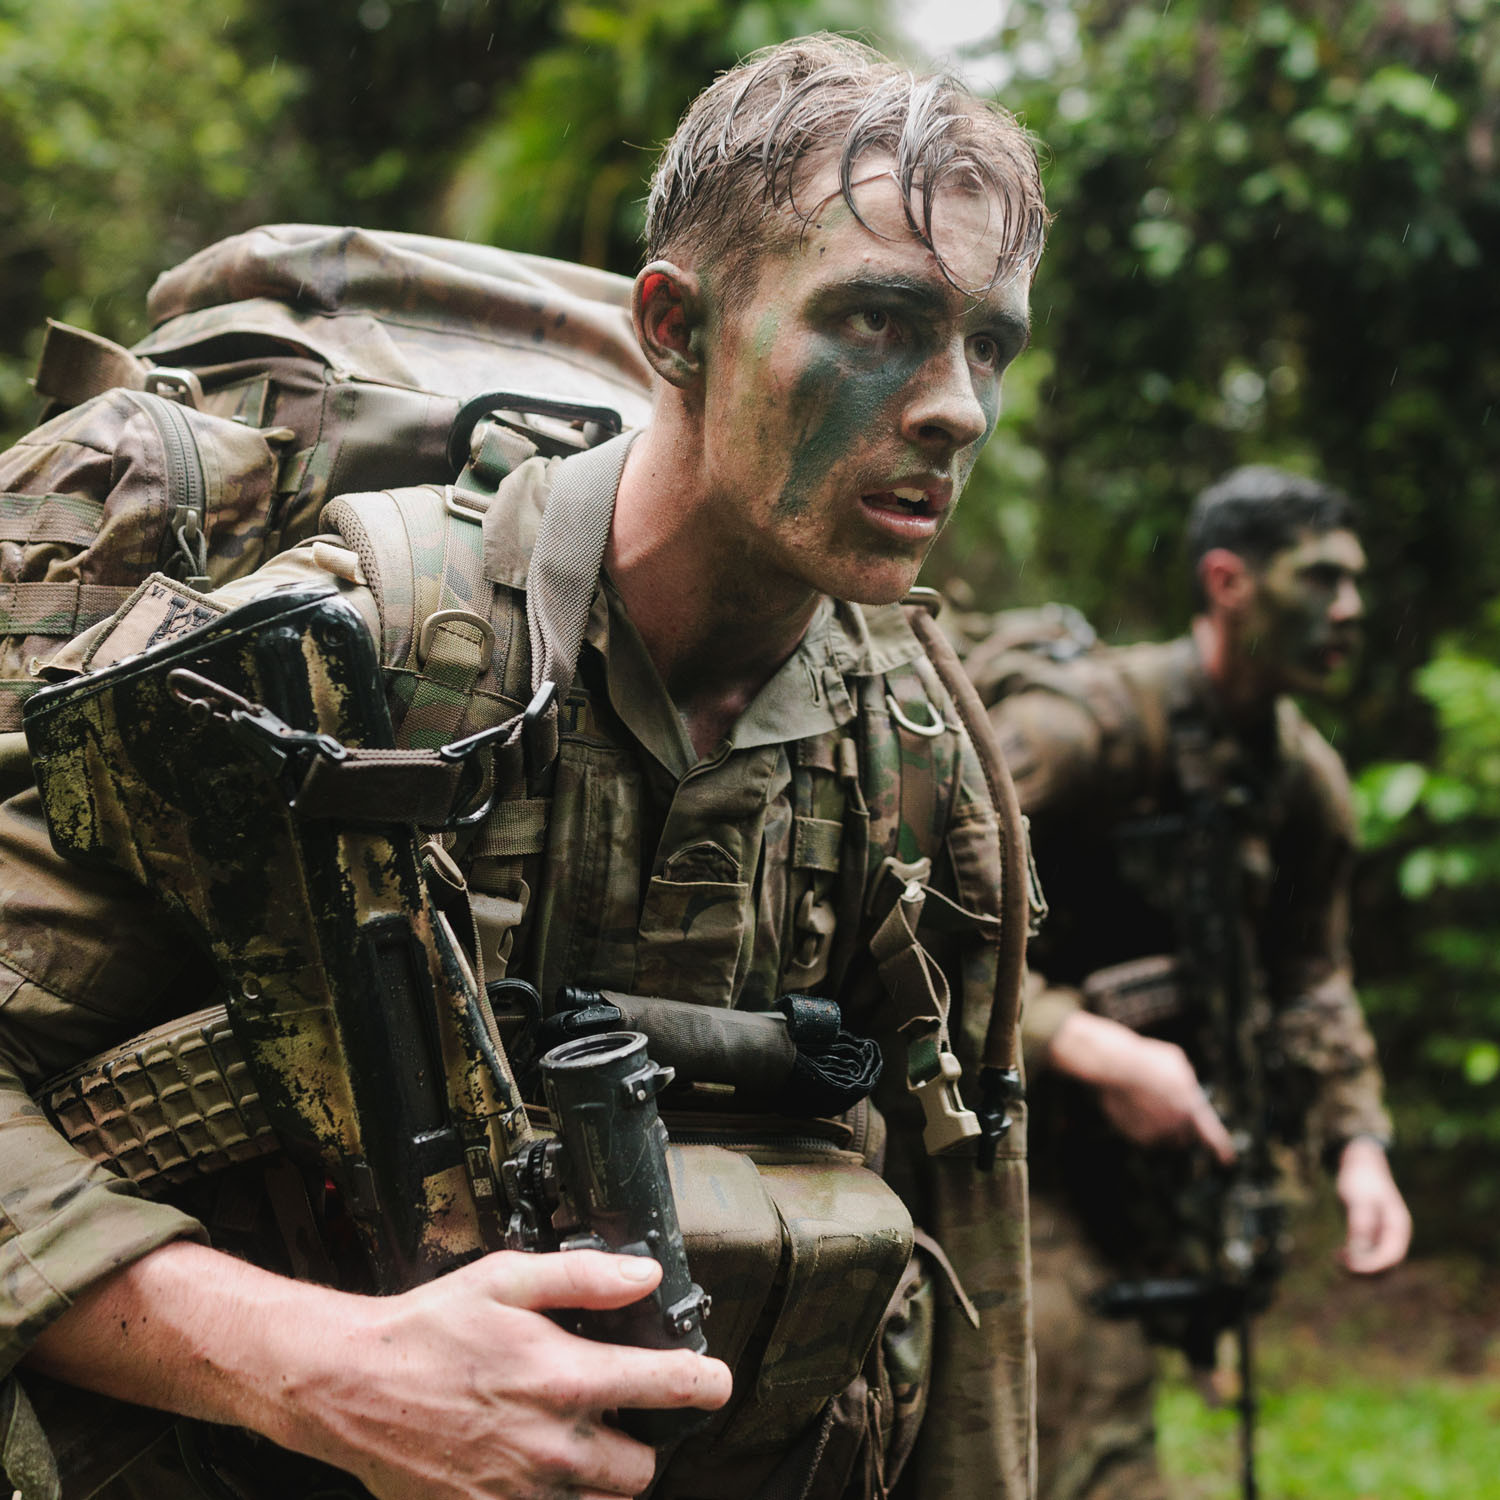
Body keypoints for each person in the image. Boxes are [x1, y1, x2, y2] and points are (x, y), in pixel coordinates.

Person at [0, 35, 1047, 1500]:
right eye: (880, 322)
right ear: (674, 330)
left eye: (987, 340)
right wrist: (311, 1368)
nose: (958, 407)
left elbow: (964, 1226)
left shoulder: (907, 738)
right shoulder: (347, 659)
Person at [970, 465, 1413, 1500]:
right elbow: (899, 907)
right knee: (1092, 1428)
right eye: (1320, 579)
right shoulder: (1086, 729)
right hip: (995, 1138)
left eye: (1356, 583)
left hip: (1147, 1169)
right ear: (1228, 580)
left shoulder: (1303, 783)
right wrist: (1088, 1044)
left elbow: (1311, 973)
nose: (1350, 607)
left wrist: (1359, 1145)